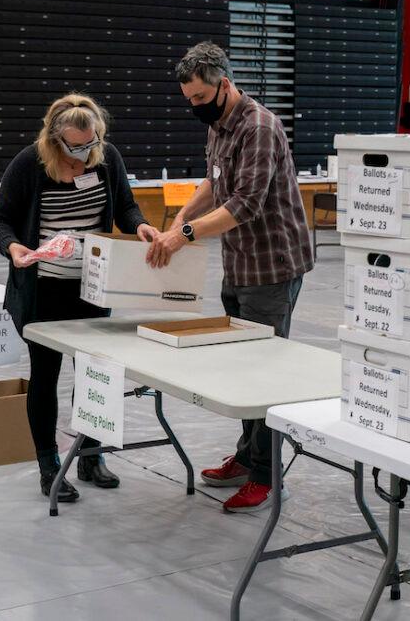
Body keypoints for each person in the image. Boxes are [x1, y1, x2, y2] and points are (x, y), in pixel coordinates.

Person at [146, 42, 314, 513]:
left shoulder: (259, 127)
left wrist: (184, 235)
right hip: (238, 264)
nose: (194, 107)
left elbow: (245, 203)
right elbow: (213, 181)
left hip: (272, 267)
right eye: (188, 100)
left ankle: (265, 474)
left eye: (200, 98)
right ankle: (246, 456)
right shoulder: (219, 125)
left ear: (224, 84)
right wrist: (180, 217)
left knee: (264, 373)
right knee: (242, 370)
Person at [0, 93, 159, 503]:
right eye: (75, 145)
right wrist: (13, 248)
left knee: (94, 374)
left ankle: (90, 455)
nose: (84, 152)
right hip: (42, 292)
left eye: (91, 142)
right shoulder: (29, 163)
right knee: (45, 377)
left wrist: (142, 227)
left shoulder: (107, 157)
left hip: (92, 288)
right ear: (54, 139)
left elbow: (127, 208)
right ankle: (49, 466)